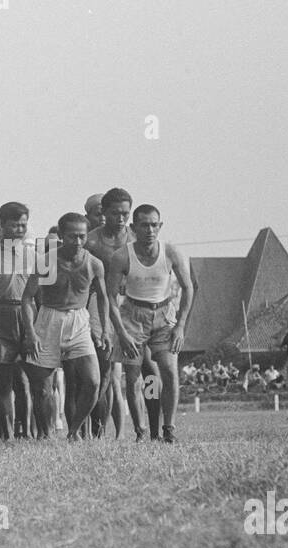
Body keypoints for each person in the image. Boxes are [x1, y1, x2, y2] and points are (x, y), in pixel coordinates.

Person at [105, 203, 193, 443]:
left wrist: (181, 325)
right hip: (133, 315)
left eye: (154, 225)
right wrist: (121, 333)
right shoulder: (122, 256)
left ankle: (169, 428)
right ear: (134, 227)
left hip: (164, 314)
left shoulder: (171, 253)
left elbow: (188, 288)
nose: (150, 230)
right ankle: (141, 430)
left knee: (168, 370)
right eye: (144, 225)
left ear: (160, 226)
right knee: (133, 376)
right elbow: (111, 296)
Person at [19, 211, 109, 437]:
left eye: (82, 236)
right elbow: (27, 297)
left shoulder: (95, 264)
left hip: (79, 321)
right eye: (72, 236)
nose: (77, 242)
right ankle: (47, 434)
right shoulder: (47, 261)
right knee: (42, 387)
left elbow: (104, 298)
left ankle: (74, 431)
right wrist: (30, 331)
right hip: (49, 318)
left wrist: (106, 330)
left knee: (92, 382)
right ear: (61, 236)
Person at [0, 201, 34, 441]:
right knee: (2, 379)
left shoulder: (34, 255)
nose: (20, 230)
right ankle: (6, 433)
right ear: (3, 225)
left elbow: (40, 296)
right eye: (14, 225)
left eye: (23, 225)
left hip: (26, 316)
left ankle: (28, 431)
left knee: (25, 379)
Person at [86, 189, 133, 438]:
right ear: (104, 214)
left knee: (130, 372)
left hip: (132, 304)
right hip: (100, 304)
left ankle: (126, 432)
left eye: (125, 213)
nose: (121, 218)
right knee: (105, 370)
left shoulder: (136, 238)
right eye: (115, 213)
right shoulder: (90, 241)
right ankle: (99, 429)